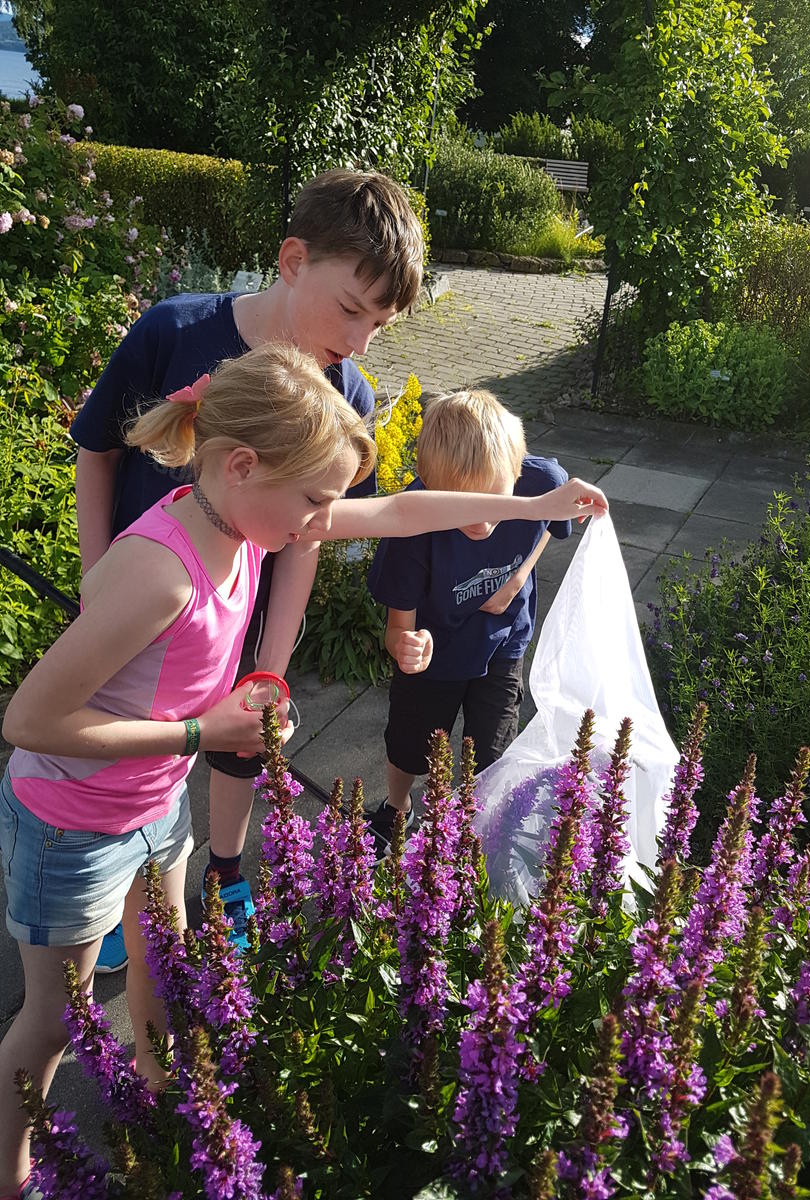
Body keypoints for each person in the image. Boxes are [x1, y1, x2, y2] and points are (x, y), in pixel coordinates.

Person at [0, 343, 609, 1198]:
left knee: (162, 967)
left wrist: (535, 504)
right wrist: (200, 731)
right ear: (242, 465)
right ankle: (13, 1173)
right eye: (316, 500)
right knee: (54, 1022)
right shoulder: (161, 573)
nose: (324, 521)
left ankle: (163, 1103)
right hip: (71, 822)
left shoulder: (245, 520)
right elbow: (30, 721)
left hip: (155, 805)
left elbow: (403, 512)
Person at [70, 167, 424, 965]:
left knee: (239, 744)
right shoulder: (173, 331)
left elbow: (309, 535)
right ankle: (118, 888)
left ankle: (224, 870)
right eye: (352, 310)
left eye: (381, 324)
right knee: (131, 745)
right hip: (143, 604)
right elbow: (97, 452)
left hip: (243, 610)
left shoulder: (349, 394)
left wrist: (273, 663)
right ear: (294, 260)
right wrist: (97, 584)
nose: (361, 342)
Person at [366, 388, 577, 852]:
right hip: (437, 652)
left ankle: (475, 829)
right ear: (432, 488)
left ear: (515, 474)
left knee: (492, 750)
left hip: (504, 644)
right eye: (463, 506)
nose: (481, 521)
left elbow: (554, 521)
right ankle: (397, 807)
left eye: (493, 501)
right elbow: (397, 629)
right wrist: (407, 647)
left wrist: (520, 575)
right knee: (410, 744)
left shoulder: (540, 479)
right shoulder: (412, 525)